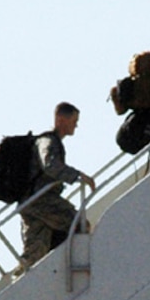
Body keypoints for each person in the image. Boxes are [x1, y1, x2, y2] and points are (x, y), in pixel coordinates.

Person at [20, 103, 95, 268]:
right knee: (80, 224)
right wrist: (78, 176)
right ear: (61, 120)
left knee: (34, 255)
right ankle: (76, 269)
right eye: (74, 120)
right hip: (41, 201)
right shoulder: (47, 141)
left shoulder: (49, 141)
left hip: (30, 203)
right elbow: (50, 165)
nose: (76, 125)